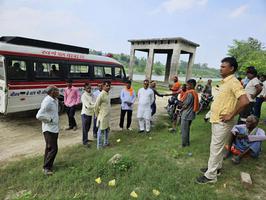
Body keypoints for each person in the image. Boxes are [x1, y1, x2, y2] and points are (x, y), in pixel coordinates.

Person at [196, 57, 249, 184]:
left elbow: (245, 101)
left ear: (231, 68)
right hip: (217, 120)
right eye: (220, 66)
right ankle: (216, 169)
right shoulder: (225, 82)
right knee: (217, 147)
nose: (220, 68)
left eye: (223, 67)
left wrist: (231, 114)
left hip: (223, 122)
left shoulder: (234, 82)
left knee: (215, 148)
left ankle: (210, 176)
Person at [36, 85, 60, 175]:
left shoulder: (54, 100)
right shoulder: (48, 102)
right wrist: (50, 120)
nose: (58, 92)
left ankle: (47, 165)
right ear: (52, 92)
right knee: (54, 149)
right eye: (57, 90)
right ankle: (46, 168)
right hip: (49, 129)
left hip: (54, 128)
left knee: (49, 147)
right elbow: (39, 115)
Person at [179, 79, 199, 146]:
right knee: (186, 129)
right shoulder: (194, 92)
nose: (186, 86)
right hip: (190, 114)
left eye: (187, 85)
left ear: (191, 85)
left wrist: (180, 106)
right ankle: (187, 143)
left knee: (184, 130)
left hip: (186, 114)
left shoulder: (190, 93)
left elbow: (185, 105)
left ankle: (183, 144)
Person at [94, 80, 111, 149]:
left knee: (107, 130)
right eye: (107, 86)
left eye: (109, 86)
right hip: (102, 117)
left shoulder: (107, 93)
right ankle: (99, 146)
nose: (108, 87)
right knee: (100, 131)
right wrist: (97, 115)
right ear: (103, 86)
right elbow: (96, 106)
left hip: (107, 116)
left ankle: (106, 142)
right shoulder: (101, 95)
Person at [81, 83, 95, 147]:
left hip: (90, 113)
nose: (89, 89)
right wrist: (93, 105)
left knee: (88, 127)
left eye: (90, 88)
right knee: (85, 128)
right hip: (85, 114)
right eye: (88, 88)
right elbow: (88, 106)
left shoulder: (92, 95)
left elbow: (94, 102)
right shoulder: (83, 96)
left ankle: (86, 139)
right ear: (85, 89)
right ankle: (84, 141)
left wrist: (92, 104)